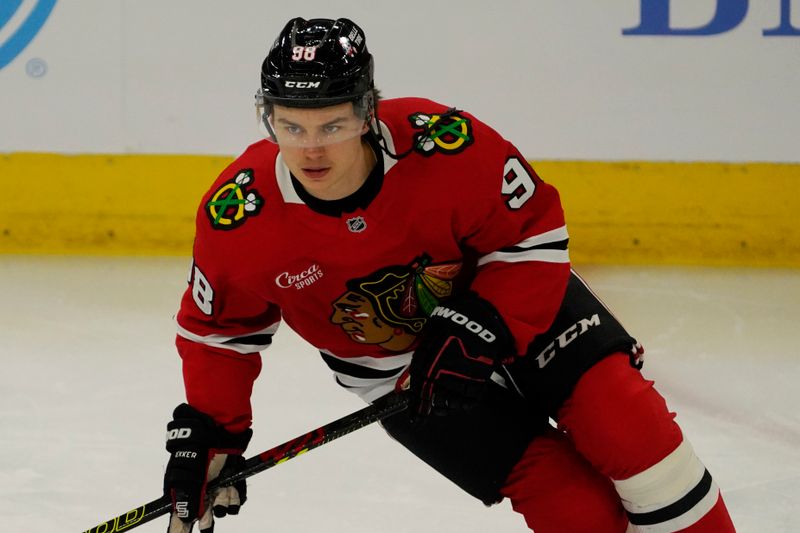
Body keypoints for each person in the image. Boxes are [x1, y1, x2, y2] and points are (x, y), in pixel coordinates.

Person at [162, 17, 736, 533]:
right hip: (400, 375)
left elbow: (532, 232)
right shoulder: (237, 215)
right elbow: (219, 333)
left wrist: (487, 321)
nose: (311, 150)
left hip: (523, 310)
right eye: (290, 127)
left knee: (639, 442)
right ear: (268, 118)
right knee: (573, 509)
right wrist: (212, 434)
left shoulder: (444, 143)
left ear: (366, 112)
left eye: (332, 126)